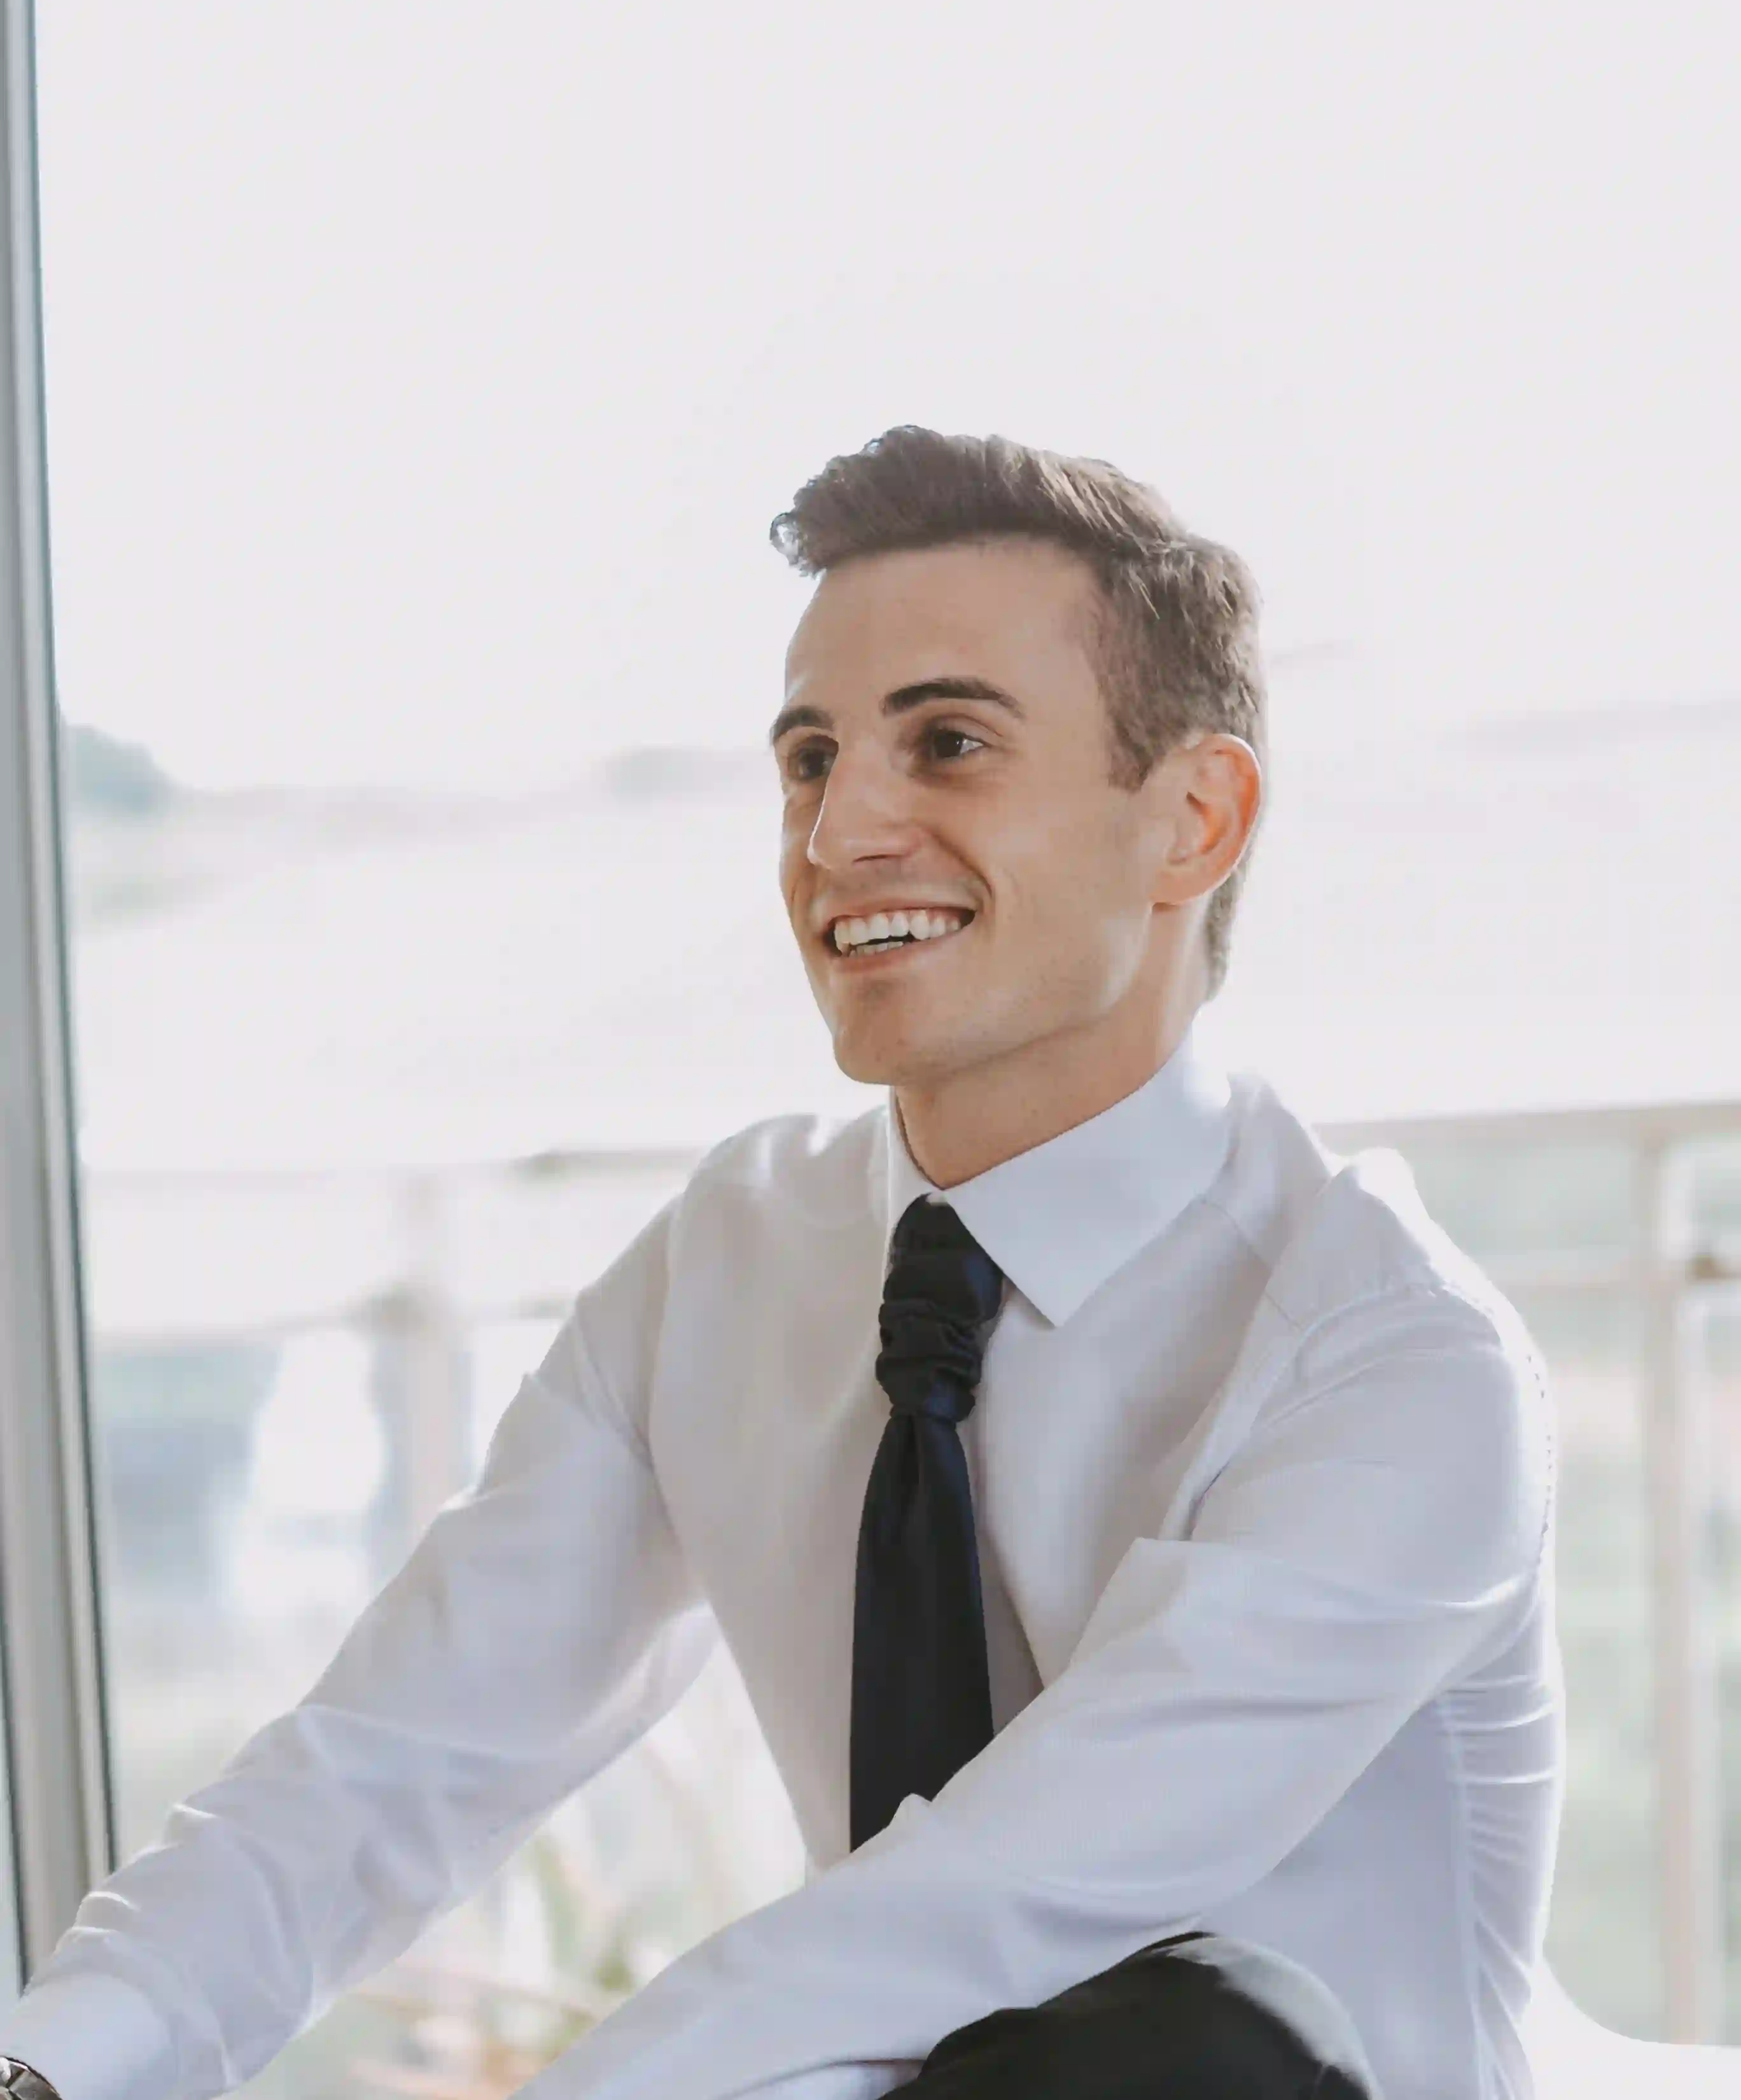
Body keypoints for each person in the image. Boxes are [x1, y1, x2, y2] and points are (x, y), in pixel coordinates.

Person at [0, 427, 1562, 2099]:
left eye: (947, 744)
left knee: (1197, 2045)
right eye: (811, 761)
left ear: (1194, 818)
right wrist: (55, 2070)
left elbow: (984, 1914)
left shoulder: (1396, 1366)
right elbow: (389, 1764)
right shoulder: (737, 1259)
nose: (839, 833)